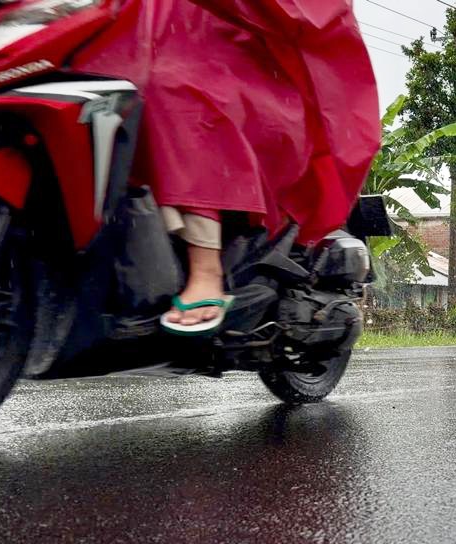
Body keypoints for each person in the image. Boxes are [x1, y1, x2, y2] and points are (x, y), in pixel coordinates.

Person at [72, 0, 381, 335]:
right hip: (155, 46)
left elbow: (305, 12)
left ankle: (205, 267)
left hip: (261, 73)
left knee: (176, 89)